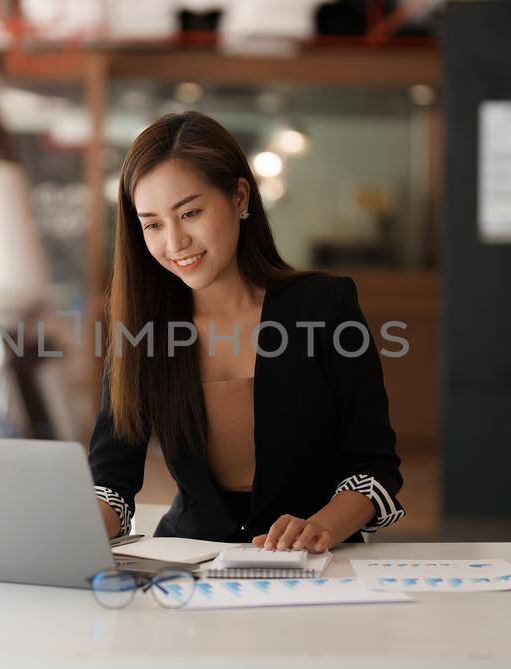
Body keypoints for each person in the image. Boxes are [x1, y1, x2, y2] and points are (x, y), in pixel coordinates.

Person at [89, 111, 404, 554]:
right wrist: (73, 531)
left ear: (239, 197)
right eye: (154, 224)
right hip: (188, 563)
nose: (175, 243)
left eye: (191, 212)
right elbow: (111, 484)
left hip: (314, 565)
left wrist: (322, 527)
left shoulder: (325, 306)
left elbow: (376, 468)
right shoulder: (143, 331)